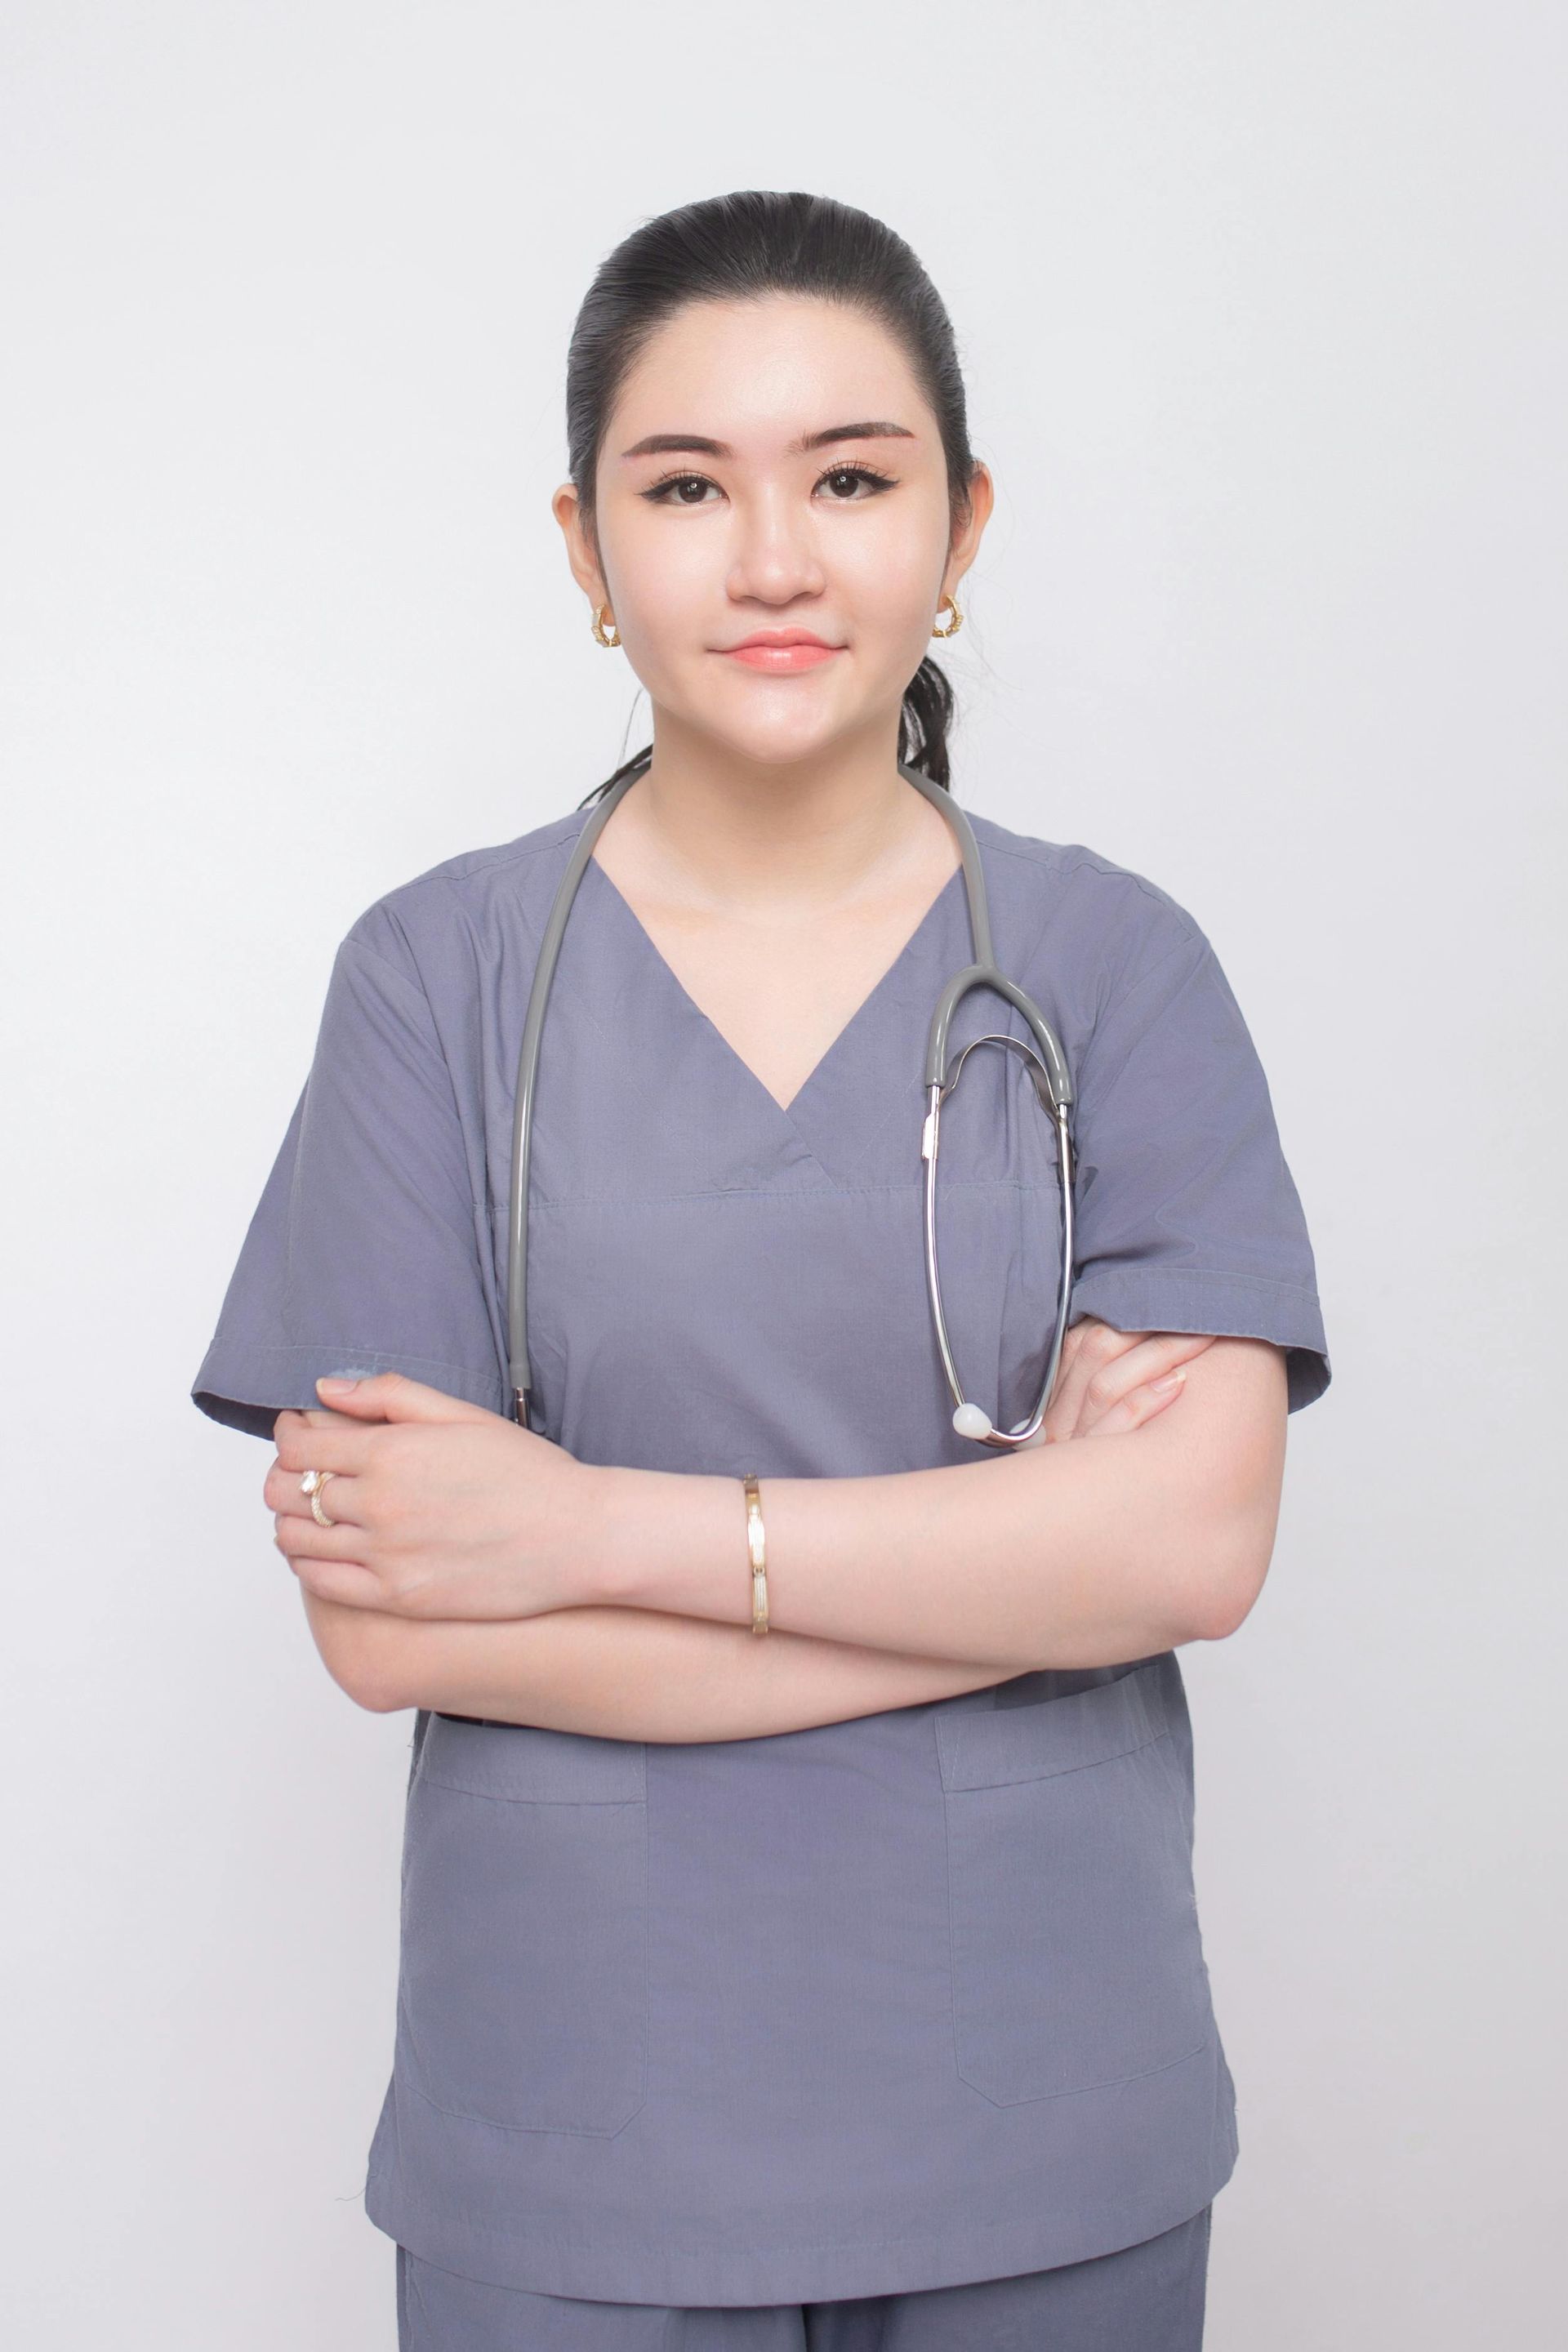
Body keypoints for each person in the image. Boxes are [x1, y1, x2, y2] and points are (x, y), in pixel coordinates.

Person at [191, 189, 1330, 2351]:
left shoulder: (1116, 968)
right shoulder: (437, 981)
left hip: (1038, 2109)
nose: (777, 559)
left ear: (962, 523)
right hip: (580, 2133)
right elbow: (387, 1622)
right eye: (689, 486)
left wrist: (578, 1532)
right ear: (585, 549)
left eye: (855, 480)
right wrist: (1020, 1573)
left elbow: (1192, 1549)